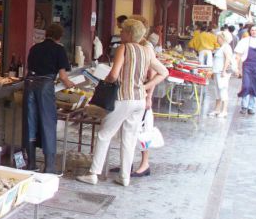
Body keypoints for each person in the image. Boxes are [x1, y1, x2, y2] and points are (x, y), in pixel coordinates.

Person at [78, 19, 168, 186]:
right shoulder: (147, 51)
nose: (121, 33)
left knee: (104, 134)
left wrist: (104, 83)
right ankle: (124, 177)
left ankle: (93, 173)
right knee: (130, 138)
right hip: (139, 100)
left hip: (122, 98)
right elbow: (164, 72)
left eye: (123, 31)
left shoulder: (124, 48)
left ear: (129, 33)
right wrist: (145, 86)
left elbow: (113, 74)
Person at [23, 23, 75, 174]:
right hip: (45, 86)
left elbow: (30, 69)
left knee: (30, 122)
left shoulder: (34, 48)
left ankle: (31, 163)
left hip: (29, 84)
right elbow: (63, 77)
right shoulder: (59, 49)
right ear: (59, 37)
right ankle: (50, 166)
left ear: (46, 34)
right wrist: (70, 85)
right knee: (48, 122)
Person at [234, 23, 256, 115]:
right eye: (252, 30)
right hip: (247, 66)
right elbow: (238, 55)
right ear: (249, 31)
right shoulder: (244, 41)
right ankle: (244, 106)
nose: (254, 32)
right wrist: (237, 68)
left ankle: (251, 107)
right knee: (246, 86)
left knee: (255, 86)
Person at [209, 32, 233, 118]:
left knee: (223, 90)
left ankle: (224, 110)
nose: (217, 39)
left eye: (218, 37)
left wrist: (224, 71)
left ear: (222, 38)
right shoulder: (221, 47)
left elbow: (228, 59)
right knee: (217, 91)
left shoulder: (226, 47)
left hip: (221, 72)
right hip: (217, 72)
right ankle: (217, 109)